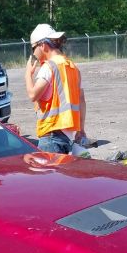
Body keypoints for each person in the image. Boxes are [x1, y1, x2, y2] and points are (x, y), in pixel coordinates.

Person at [25, 23, 87, 154]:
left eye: (33, 48)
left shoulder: (49, 67)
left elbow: (32, 95)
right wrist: (81, 130)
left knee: (50, 174)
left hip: (51, 136)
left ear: (42, 45)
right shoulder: (72, 67)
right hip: (67, 136)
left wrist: (27, 74)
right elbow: (81, 100)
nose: (33, 53)